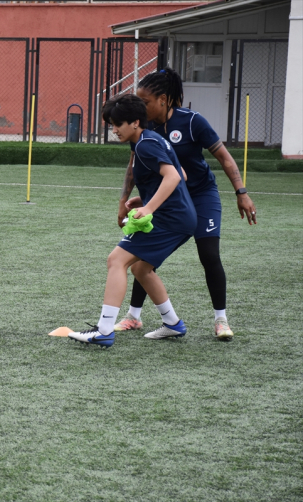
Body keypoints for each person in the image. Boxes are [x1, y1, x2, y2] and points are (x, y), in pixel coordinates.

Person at [114, 68, 257, 341]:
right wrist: (125, 200)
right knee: (145, 255)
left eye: (145, 102)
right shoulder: (143, 127)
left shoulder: (192, 121)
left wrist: (241, 192)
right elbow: (135, 166)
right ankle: (133, 316)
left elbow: (224, 158)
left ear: (163, 100)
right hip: (168, 199)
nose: (140, 107)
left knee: (209, 254)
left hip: (201, 195)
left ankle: (221, 320)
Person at [68, 94, 196, 348]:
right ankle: (172, 323)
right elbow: (181, 173)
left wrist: (149, 207)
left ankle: (104, 331)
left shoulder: (146, 145)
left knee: (116, 260)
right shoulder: (151, 139)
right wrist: (145, 197)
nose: (114, 130)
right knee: (140, 269)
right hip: (181, 218)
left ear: (135, 122)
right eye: (111, 125)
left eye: (118, 124)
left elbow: (173, 177)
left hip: (171, 219)